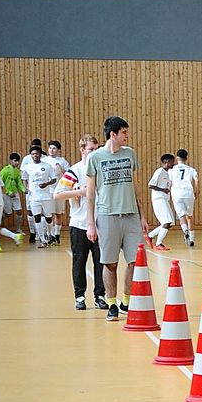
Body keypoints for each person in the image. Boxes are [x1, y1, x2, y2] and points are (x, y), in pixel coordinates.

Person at [85, 115, 149, 322]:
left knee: (134, 261)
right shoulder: (95, 158)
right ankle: (111, 303)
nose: (127, 137)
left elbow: (136, 186)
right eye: (124, 133)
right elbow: (90, 193)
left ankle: (126, 301)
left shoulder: (130, 154)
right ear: (113, 134)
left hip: (130, 215)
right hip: (107, 215)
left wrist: (142, 216)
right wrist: (90, 223)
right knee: (110, 263)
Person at [54, 134, 107, 311]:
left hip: (101, 223)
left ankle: (100, 295)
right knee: (79, 261)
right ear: (83, 150)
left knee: (101, 261)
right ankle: (79, 296)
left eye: (97, 149)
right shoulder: (74, 171)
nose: (94, 152)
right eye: (91, 149)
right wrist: (81, 192)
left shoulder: (101, 170)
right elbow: (58, 194)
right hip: (79, 223)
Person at [21, 145, 58, 248]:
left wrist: (46, 184)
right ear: (31, 155)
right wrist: (26, 188)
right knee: (36, 217)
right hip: (34, 197)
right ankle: (42, 240)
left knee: (48, 218)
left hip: (45, 196)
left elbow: (54, 179)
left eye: (36, 153)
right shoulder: (27, 167)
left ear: (40, 154)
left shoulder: (47, 166)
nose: (35, 155)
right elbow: (24, 178)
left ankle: (50, 234)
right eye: (33, 154)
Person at [169, 148, 199, 247]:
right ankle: (191, 239)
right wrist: (196, 190)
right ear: (186, 158)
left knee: (181, 216)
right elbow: (196, 180)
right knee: (189, 217)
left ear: (177, 158)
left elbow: (169, 182)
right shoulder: (191, 169)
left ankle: (185, 230)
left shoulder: (172, 170)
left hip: (177, 194)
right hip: (188, 194)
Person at [146, 153, 175, 251]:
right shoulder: (159, 171)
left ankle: (149, 236)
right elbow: (150, 185)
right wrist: (163, 190)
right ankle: (158, 243)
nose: (173, 164)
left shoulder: (168, 173)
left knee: (170, 223)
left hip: (164, 200)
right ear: (167, 162)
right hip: (159, 199)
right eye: (172, 162)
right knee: (167, 222)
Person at [44, 140, 70, 245]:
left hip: (59, 190)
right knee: (48, 213)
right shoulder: (44, 160)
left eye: (54, 148)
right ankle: (49, 234)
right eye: (50, 148)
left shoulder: (62, 161)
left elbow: (69, 175)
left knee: (58, 213)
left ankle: (57, 234)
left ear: (58, 150)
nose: (51, 150)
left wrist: (62, 170)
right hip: (48, 191)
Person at [0, 152, 26, 235]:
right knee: (8, 214)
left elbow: (19, 183)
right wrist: (7, 192)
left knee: (19, 211)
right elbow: (0, 183)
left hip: (15, 194)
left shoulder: (18, 171)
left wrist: (24, 190)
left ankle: (18, 229)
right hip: (6, 195)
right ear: (10, 161)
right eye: (15, 161)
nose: (17, 163)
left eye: (18, 161)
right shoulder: (5, 171)